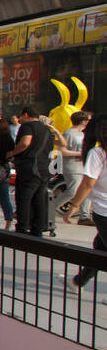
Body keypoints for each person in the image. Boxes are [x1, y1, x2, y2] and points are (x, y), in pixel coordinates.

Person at [62, 113, 107, 288]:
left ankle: (78, 282)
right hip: (103, 209)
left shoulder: (98, 152)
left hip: (104, 210)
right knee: (100, 249)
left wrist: (74, 206)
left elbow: (88, 183)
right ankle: (77, 282)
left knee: (101, 250)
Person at [11, 107, 56, 236]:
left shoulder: (28, 126)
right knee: (39, 200)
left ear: (26, 115)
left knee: (24, 199)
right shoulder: (47, 130)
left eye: (21, 117)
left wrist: (12, 153)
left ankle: (22, 228)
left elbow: (25, 143)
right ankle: (37, 229)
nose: (20, 120)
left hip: (29, 168)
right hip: (44, 169)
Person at [59, 111, 92, 226]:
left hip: (83, 166)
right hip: (72, 166)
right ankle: (49, 207)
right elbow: (62, 151)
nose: (89, 122)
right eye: (88, 120)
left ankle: (84, 216)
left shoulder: (83, 134)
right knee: (72, 191)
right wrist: (81, 153)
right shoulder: (69, 133)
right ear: (83, 121)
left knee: (86, 191)